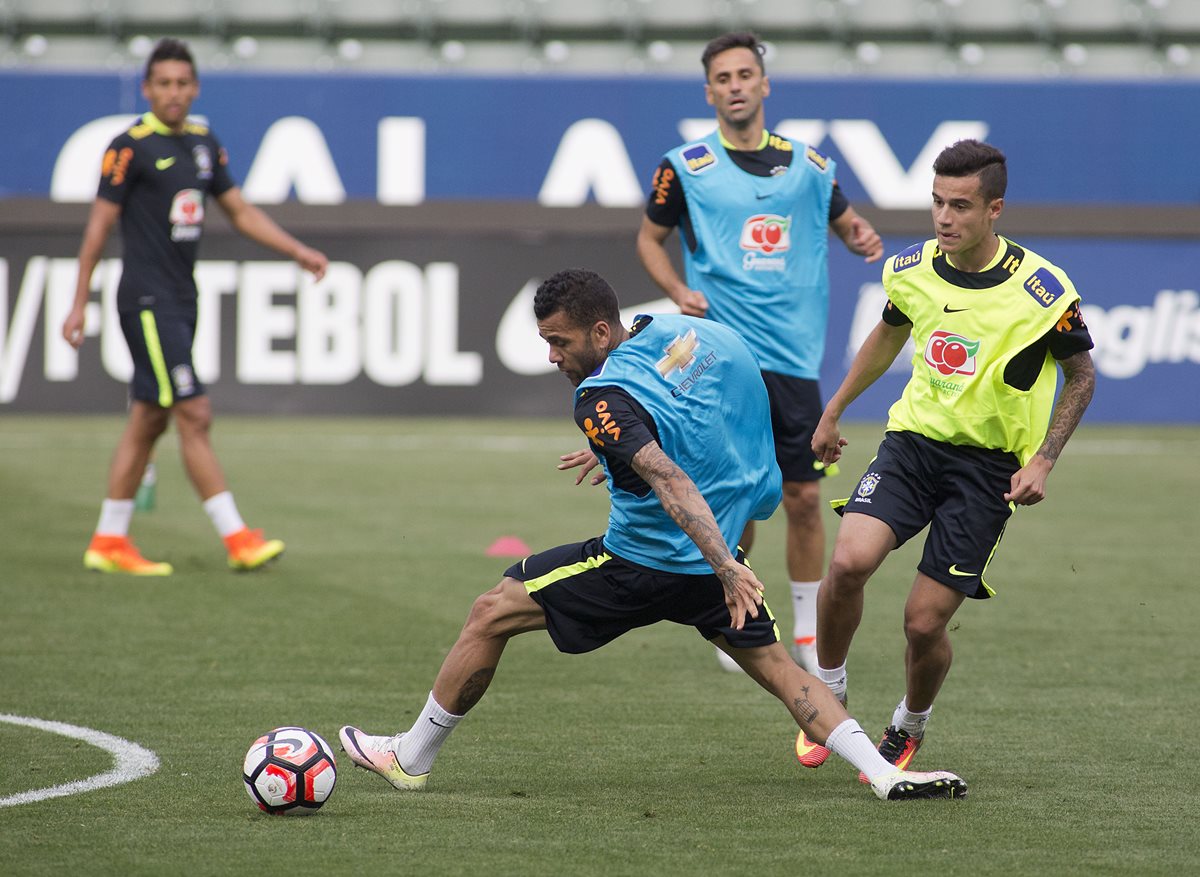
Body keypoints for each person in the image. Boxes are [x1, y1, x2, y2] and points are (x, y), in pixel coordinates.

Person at [338, 268, 967, 802]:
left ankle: (410, 757)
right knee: (781, 671)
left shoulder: (598, 398)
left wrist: (723, 562)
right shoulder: (685, 335)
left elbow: (666, 476)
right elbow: (710, 399)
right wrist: (619, 454)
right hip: (711, 567)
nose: (552, 357)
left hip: (640, 565)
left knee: (490, 612)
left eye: (558, 342)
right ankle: (884, 774)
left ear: (600, 332)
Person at [793, 140, 1096, 775]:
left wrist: (1043, 459)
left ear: (994, 210)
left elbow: (1081, 376)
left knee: (923, 624)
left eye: (960, 205)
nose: (943, 217)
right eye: (936, 202)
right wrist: (833, 410)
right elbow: (888, 334)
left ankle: (909, 723)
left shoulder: (1042, 290)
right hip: (912, 446)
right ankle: (828, 694)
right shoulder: (911, 268)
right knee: (846, 564)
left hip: (988, 471)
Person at [636, 31, 884, 672]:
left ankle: (805, 630)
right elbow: (649, 240)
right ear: (709, 92)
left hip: (794, 361)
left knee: (802, 497)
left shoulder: (811, 167)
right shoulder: (684, 167)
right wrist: (678, 291)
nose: (736, 86)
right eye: (723, 78)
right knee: (732, 494)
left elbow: (846, 223)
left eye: (745, 74)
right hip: (721, 358)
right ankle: (738, 612)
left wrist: (858, 235)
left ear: (764, 84)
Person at [61, 38, 328, 575]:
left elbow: (241, 212)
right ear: (147, 89)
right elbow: (98, 227)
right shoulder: (129, 147)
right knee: (194, 412)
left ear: (196, 88)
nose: (174, 93)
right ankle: (237, 538)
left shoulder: (204, 144)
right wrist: (78, 302)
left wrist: (296, 250)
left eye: (183, 83)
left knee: (148, 418)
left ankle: (109, 540)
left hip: (182, 298)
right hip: (147, 300)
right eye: (164, 83)